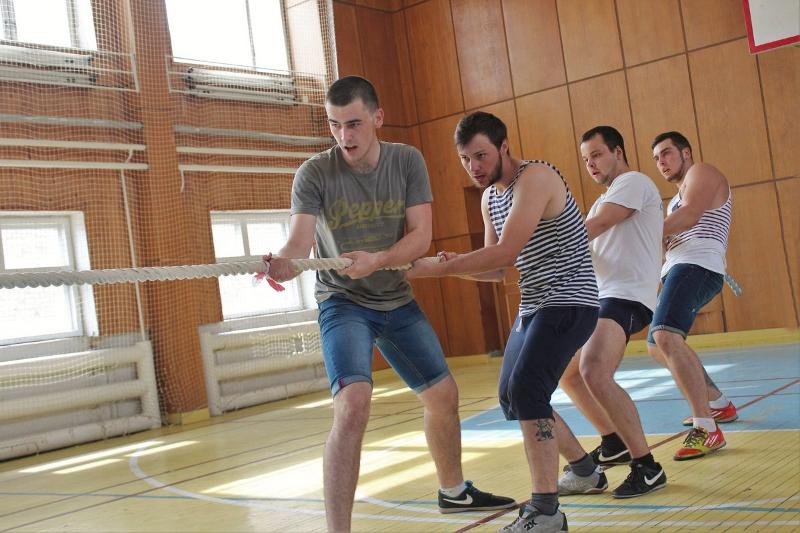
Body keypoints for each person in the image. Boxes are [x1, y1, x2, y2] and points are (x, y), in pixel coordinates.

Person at [265, 76, 515, 532]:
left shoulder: (406, 161)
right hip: (343, 302)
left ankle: (453, 492)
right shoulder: (314, 173)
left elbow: (421, 236)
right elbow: (299, 242)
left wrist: (379, 260)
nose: (344, 136)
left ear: (378, 118)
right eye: (334, 125)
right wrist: (284, 264)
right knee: (353, 406)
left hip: (396, 299)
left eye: (354, 124)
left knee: (443, 396)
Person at [408, 111, 598, 533]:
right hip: (534, 306)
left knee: (529, 389)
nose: (473, 167)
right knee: (512, 396)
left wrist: (440, 269)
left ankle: (546, 512)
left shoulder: (537, 177)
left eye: (481, 155)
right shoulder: (489, 199)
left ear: (504, 147)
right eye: (464, 159)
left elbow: (506, 252)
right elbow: (495, 271)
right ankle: (585, 470)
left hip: (571, 300)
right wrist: (449, 265)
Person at [554, 126, 667, 499]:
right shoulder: (603, 200)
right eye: (586, 159)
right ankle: (613, 442)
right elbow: (588, 250)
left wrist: (541, 243)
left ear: (617, 152)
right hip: (601, 298)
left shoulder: (633, 182)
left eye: (597, 155)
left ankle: (647, 467)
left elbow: (596, 227)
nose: (591, 164)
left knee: (593, 370)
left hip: (626, 296)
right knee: (570, 373)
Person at [648, 131, 736, 460]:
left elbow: (691, 216)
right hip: (678, 268)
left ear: (686, 153)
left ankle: (706, 429)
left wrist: (643, 232)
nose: (661, 162)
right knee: (657, 346)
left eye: (667, 153)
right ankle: (717, 403)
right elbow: (668, 237)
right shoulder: (673, 201)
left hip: (698, 264)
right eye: (656, 158)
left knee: (666, 336)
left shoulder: (702, 172)